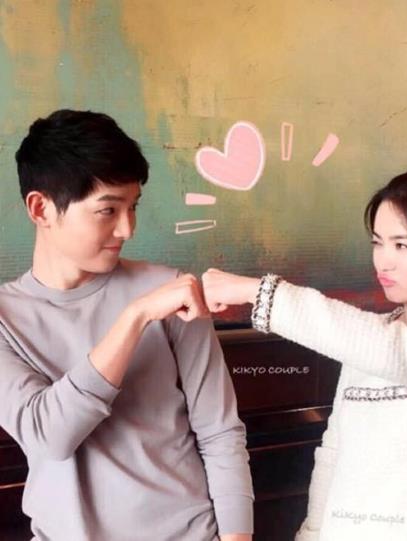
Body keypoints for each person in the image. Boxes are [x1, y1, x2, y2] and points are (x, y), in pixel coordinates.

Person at [202, 167, 407, 541]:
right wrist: (312, 534)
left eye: (402, 245)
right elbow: (334, 453)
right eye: (378, 242)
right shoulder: (368, 339)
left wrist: (257, 292)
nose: (383, 261)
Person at [0, 109, 253, 541]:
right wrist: (134, 318)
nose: (127, 229)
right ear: (41, 208)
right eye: (108, 210)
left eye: (132, 207)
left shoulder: (173, 290)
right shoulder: (7, 318)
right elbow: (49, 436)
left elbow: (220, 431)